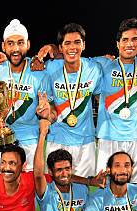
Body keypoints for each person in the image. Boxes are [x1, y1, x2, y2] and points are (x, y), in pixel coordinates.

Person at [94, 18, 137, 184]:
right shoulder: (103, 64)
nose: (130, 44)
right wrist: (54, 51)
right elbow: (76, 63)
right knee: (106, 185)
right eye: (125, 40)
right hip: (108, 136)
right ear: (117, 43)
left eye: (135, 39)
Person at [0, 19, 54, 173]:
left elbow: (50, 108)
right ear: (3, 46)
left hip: (30, 141)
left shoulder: (39, 73)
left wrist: (47, 112)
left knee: (31, 190)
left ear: (28, 44)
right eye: (10, 43)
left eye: (20, 43)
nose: (16, 49)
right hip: (2, 141)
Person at [44, 23, 103, 179]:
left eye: (77, 42)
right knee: (56, 189)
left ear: (84, 45)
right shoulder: (49, 68)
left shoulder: (94, 69)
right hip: (57, 138)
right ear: (60, 48)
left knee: (82, 191)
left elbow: (99, 96)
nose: (73, 47)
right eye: (67, 43)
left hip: (86, 141)